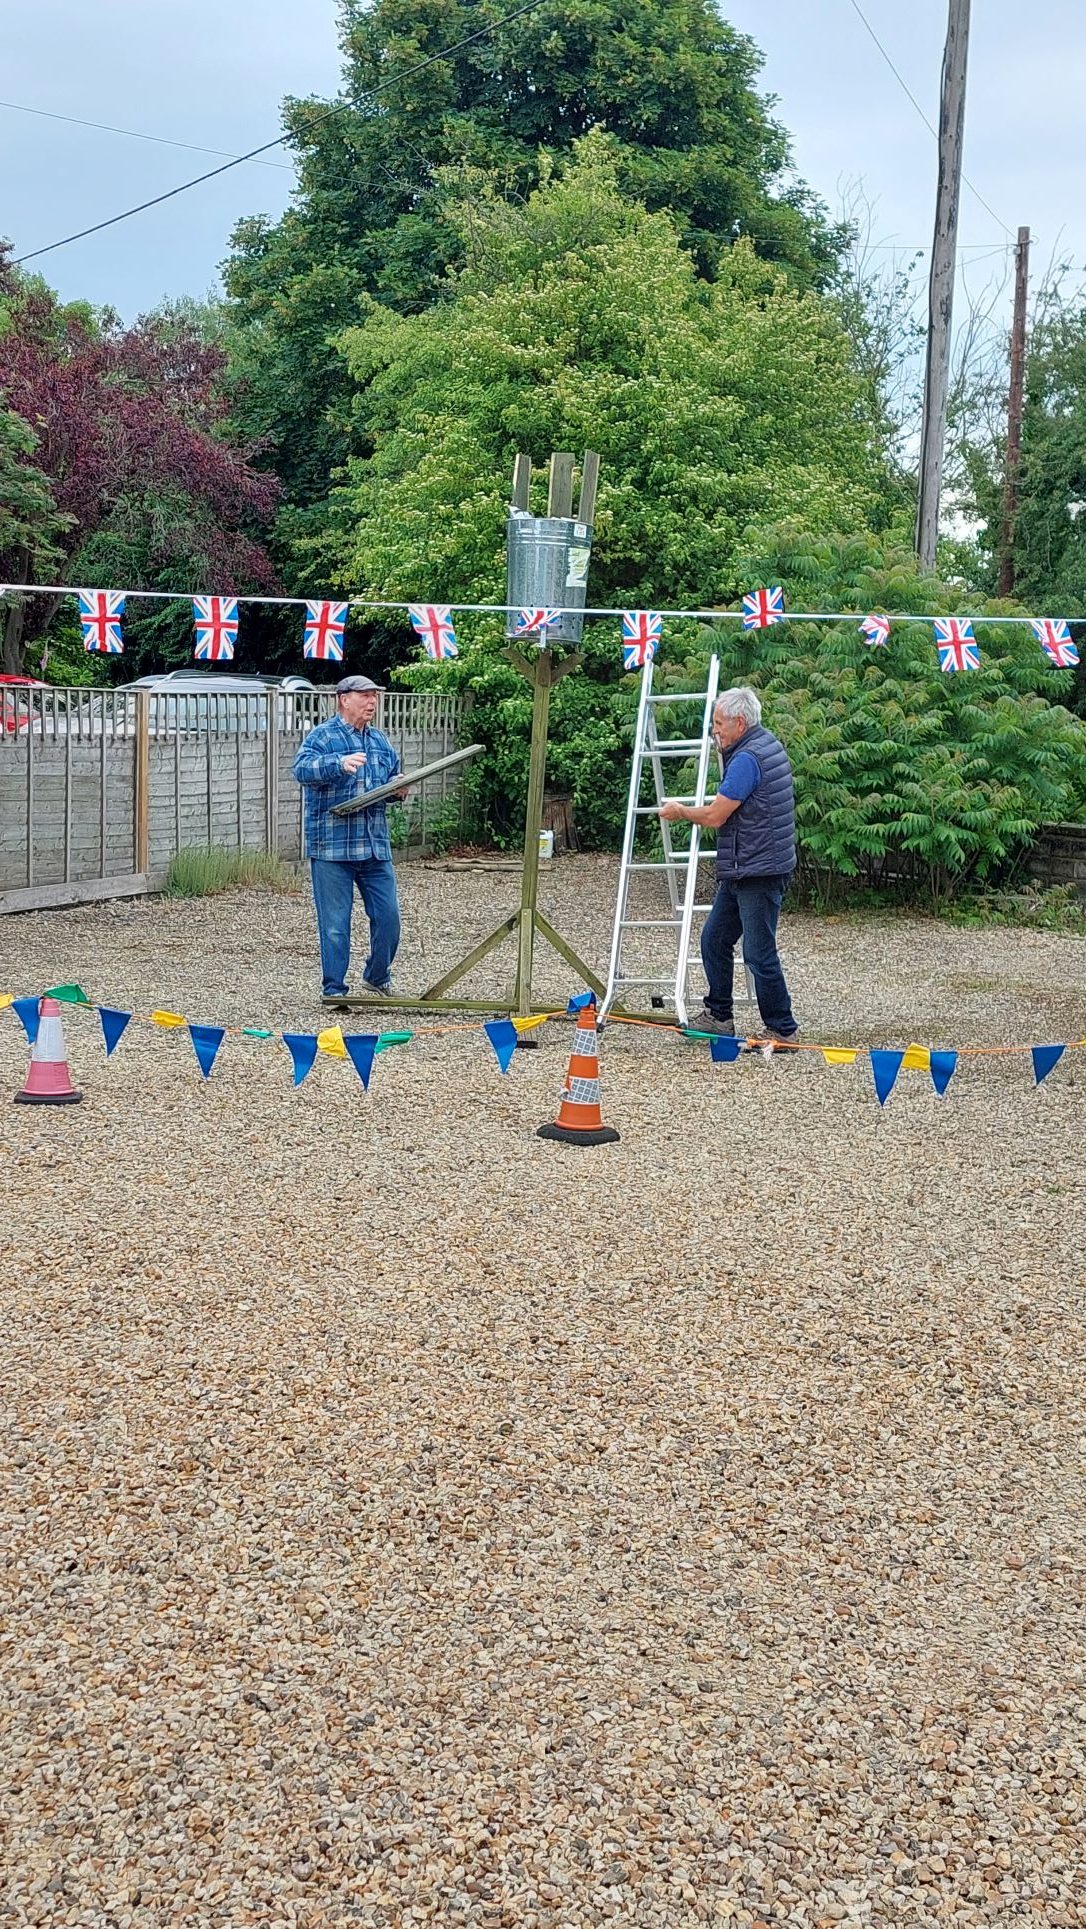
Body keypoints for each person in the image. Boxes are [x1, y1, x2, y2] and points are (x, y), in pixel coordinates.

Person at [659, 684, 799, 1046]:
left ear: (739, 722)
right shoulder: (763, 744)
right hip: (749, 865)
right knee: (715, 939)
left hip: (758, 869)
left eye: (719, 723)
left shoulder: (747, 758)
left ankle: (782, 1027)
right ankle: (719, 1015)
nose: (714, 730)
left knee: (758, 951)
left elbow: (717, 815)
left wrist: (680, 812)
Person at [293, 674, 409, 1006]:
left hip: (374, 845)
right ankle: (334, 990)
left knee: (389, 918)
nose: (372, 702)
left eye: (375, 697)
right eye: (366, 696)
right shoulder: (322, 737)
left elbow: (391, 781)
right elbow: (301, 770)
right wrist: (338, 764)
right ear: (344, 699)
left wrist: (398, 789)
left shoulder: (379, 741)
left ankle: (376, 976)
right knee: (335, 924)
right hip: (332, 848)